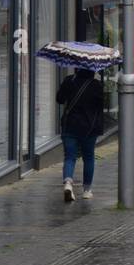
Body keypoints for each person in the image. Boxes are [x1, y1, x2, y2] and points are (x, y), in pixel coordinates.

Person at [56, 68, 104, 201]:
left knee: (70, 157)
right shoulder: (96, 85)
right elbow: (101, 105)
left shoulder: (69, 80)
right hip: (89, 127)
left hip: (70, 125)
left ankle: (67, 183)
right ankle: (87, 190)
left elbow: (59, 99)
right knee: (88, 157)